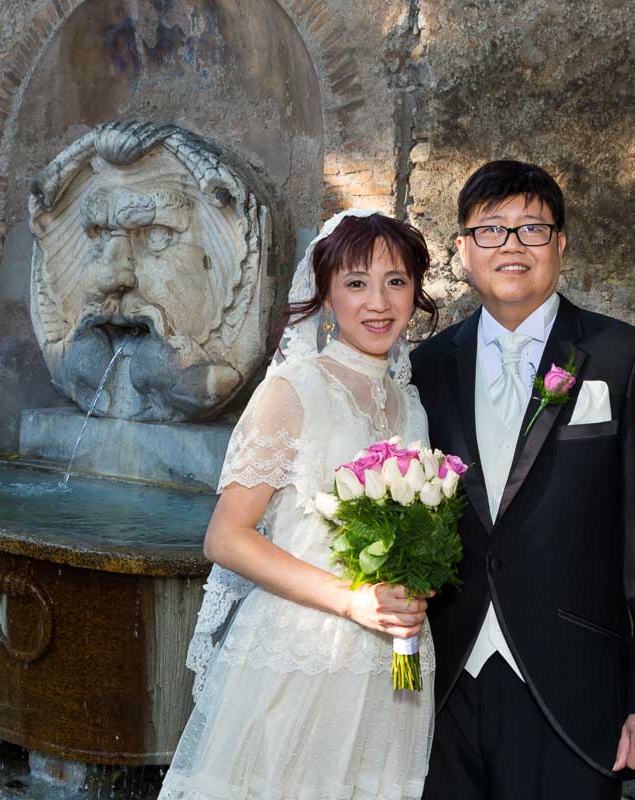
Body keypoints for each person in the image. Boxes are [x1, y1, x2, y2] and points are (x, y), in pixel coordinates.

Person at [410, 160, 635, 800]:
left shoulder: (624, 357)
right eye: (491, 229)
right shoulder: (425, 367)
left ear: (560, 245)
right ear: (463, 250)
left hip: (573, 686)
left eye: (531, 228)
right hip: (440, 684)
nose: (511, 245)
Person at [159, 210, 441, 799]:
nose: (379, 302)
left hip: (389, 670)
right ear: (326, 295)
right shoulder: (294, 389)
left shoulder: (410, 405)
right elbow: (227, 539)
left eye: (396, 281)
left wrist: (414, 583)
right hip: (300, 655)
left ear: (415, 291)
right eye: (356, 283)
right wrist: (353, 600)